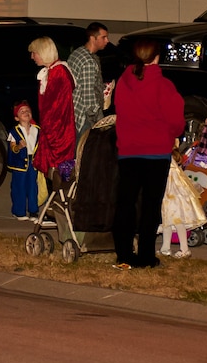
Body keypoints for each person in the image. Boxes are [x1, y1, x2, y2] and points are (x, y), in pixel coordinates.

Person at [112, 38, 186, 269]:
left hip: (128, 151)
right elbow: (176, 122)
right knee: (150, 207)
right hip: (156, 153)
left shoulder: (123, 82)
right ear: (156, 58)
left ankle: (123, 253)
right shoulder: (164, 86)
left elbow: (119, 112)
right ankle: (145, 254)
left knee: (126, 203)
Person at [29, 36, 76, 185]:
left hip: (58, 136)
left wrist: (48, 132)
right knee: (56, 177)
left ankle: (60, 204)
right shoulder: (53, 72)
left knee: (60, 178)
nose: (32, 57)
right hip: (56, 133)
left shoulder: (58, 73)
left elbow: (55, 109)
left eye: (34, 53)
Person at [67, 21, 110, 137]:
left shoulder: (77, 53)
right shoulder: (88, 62)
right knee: (85, 151)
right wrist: (100, 121)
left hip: (73, 111)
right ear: (93, 38)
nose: (107, 41)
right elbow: (88, 98)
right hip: (83, 117)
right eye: (103, 37)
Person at [7, 101, 41, 221]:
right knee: (19, 187)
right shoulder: (14, 132)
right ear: (17, 117)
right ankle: (18, 211)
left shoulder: (37, 130)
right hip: (19, 164)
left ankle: (33, 211)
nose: (26, 112)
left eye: (28, 110)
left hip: (33, 163)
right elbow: (12, 148)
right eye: (22, 111)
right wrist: (19, 147)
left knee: (33, 188)